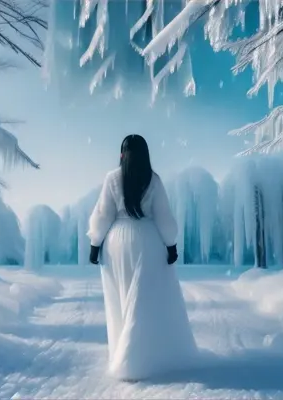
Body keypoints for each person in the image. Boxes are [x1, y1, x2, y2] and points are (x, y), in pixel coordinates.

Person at [87, 134, 198, 382]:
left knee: (121, 299)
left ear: (122, 154)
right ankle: (143, 356)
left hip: (116, 242)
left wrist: (95, 244)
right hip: (148, 241)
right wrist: (171, 246)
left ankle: (122, 353)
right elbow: (165, 218)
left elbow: (103, 214)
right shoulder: (154, 180)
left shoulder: (112, 179)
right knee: (146, 300)